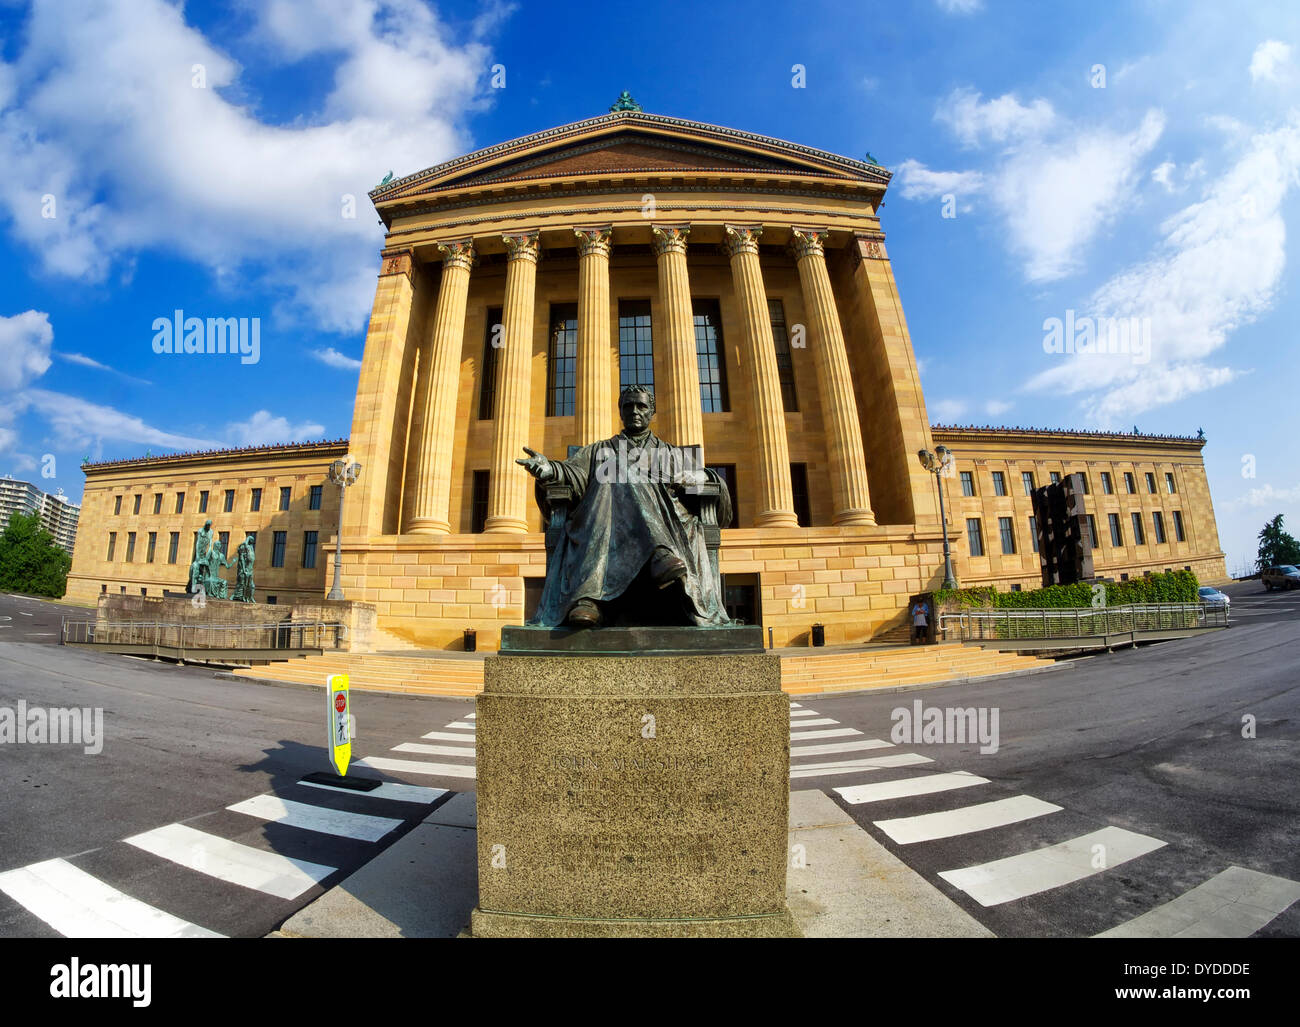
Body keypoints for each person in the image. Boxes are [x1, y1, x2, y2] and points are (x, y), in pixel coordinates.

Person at [516, 386, 731, 629]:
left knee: (616, 470)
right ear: (620, 411)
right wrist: (550, 470)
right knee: (615, 469)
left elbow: (719, 499)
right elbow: (573, 473)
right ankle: (657, 555)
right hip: (609, 525)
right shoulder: (598, 450)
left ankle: (588, 599)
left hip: (668, 522)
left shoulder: (671, 455)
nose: (635, 411)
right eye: (628, 406)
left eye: (641, 406)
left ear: (652, 412)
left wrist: (702, 478)